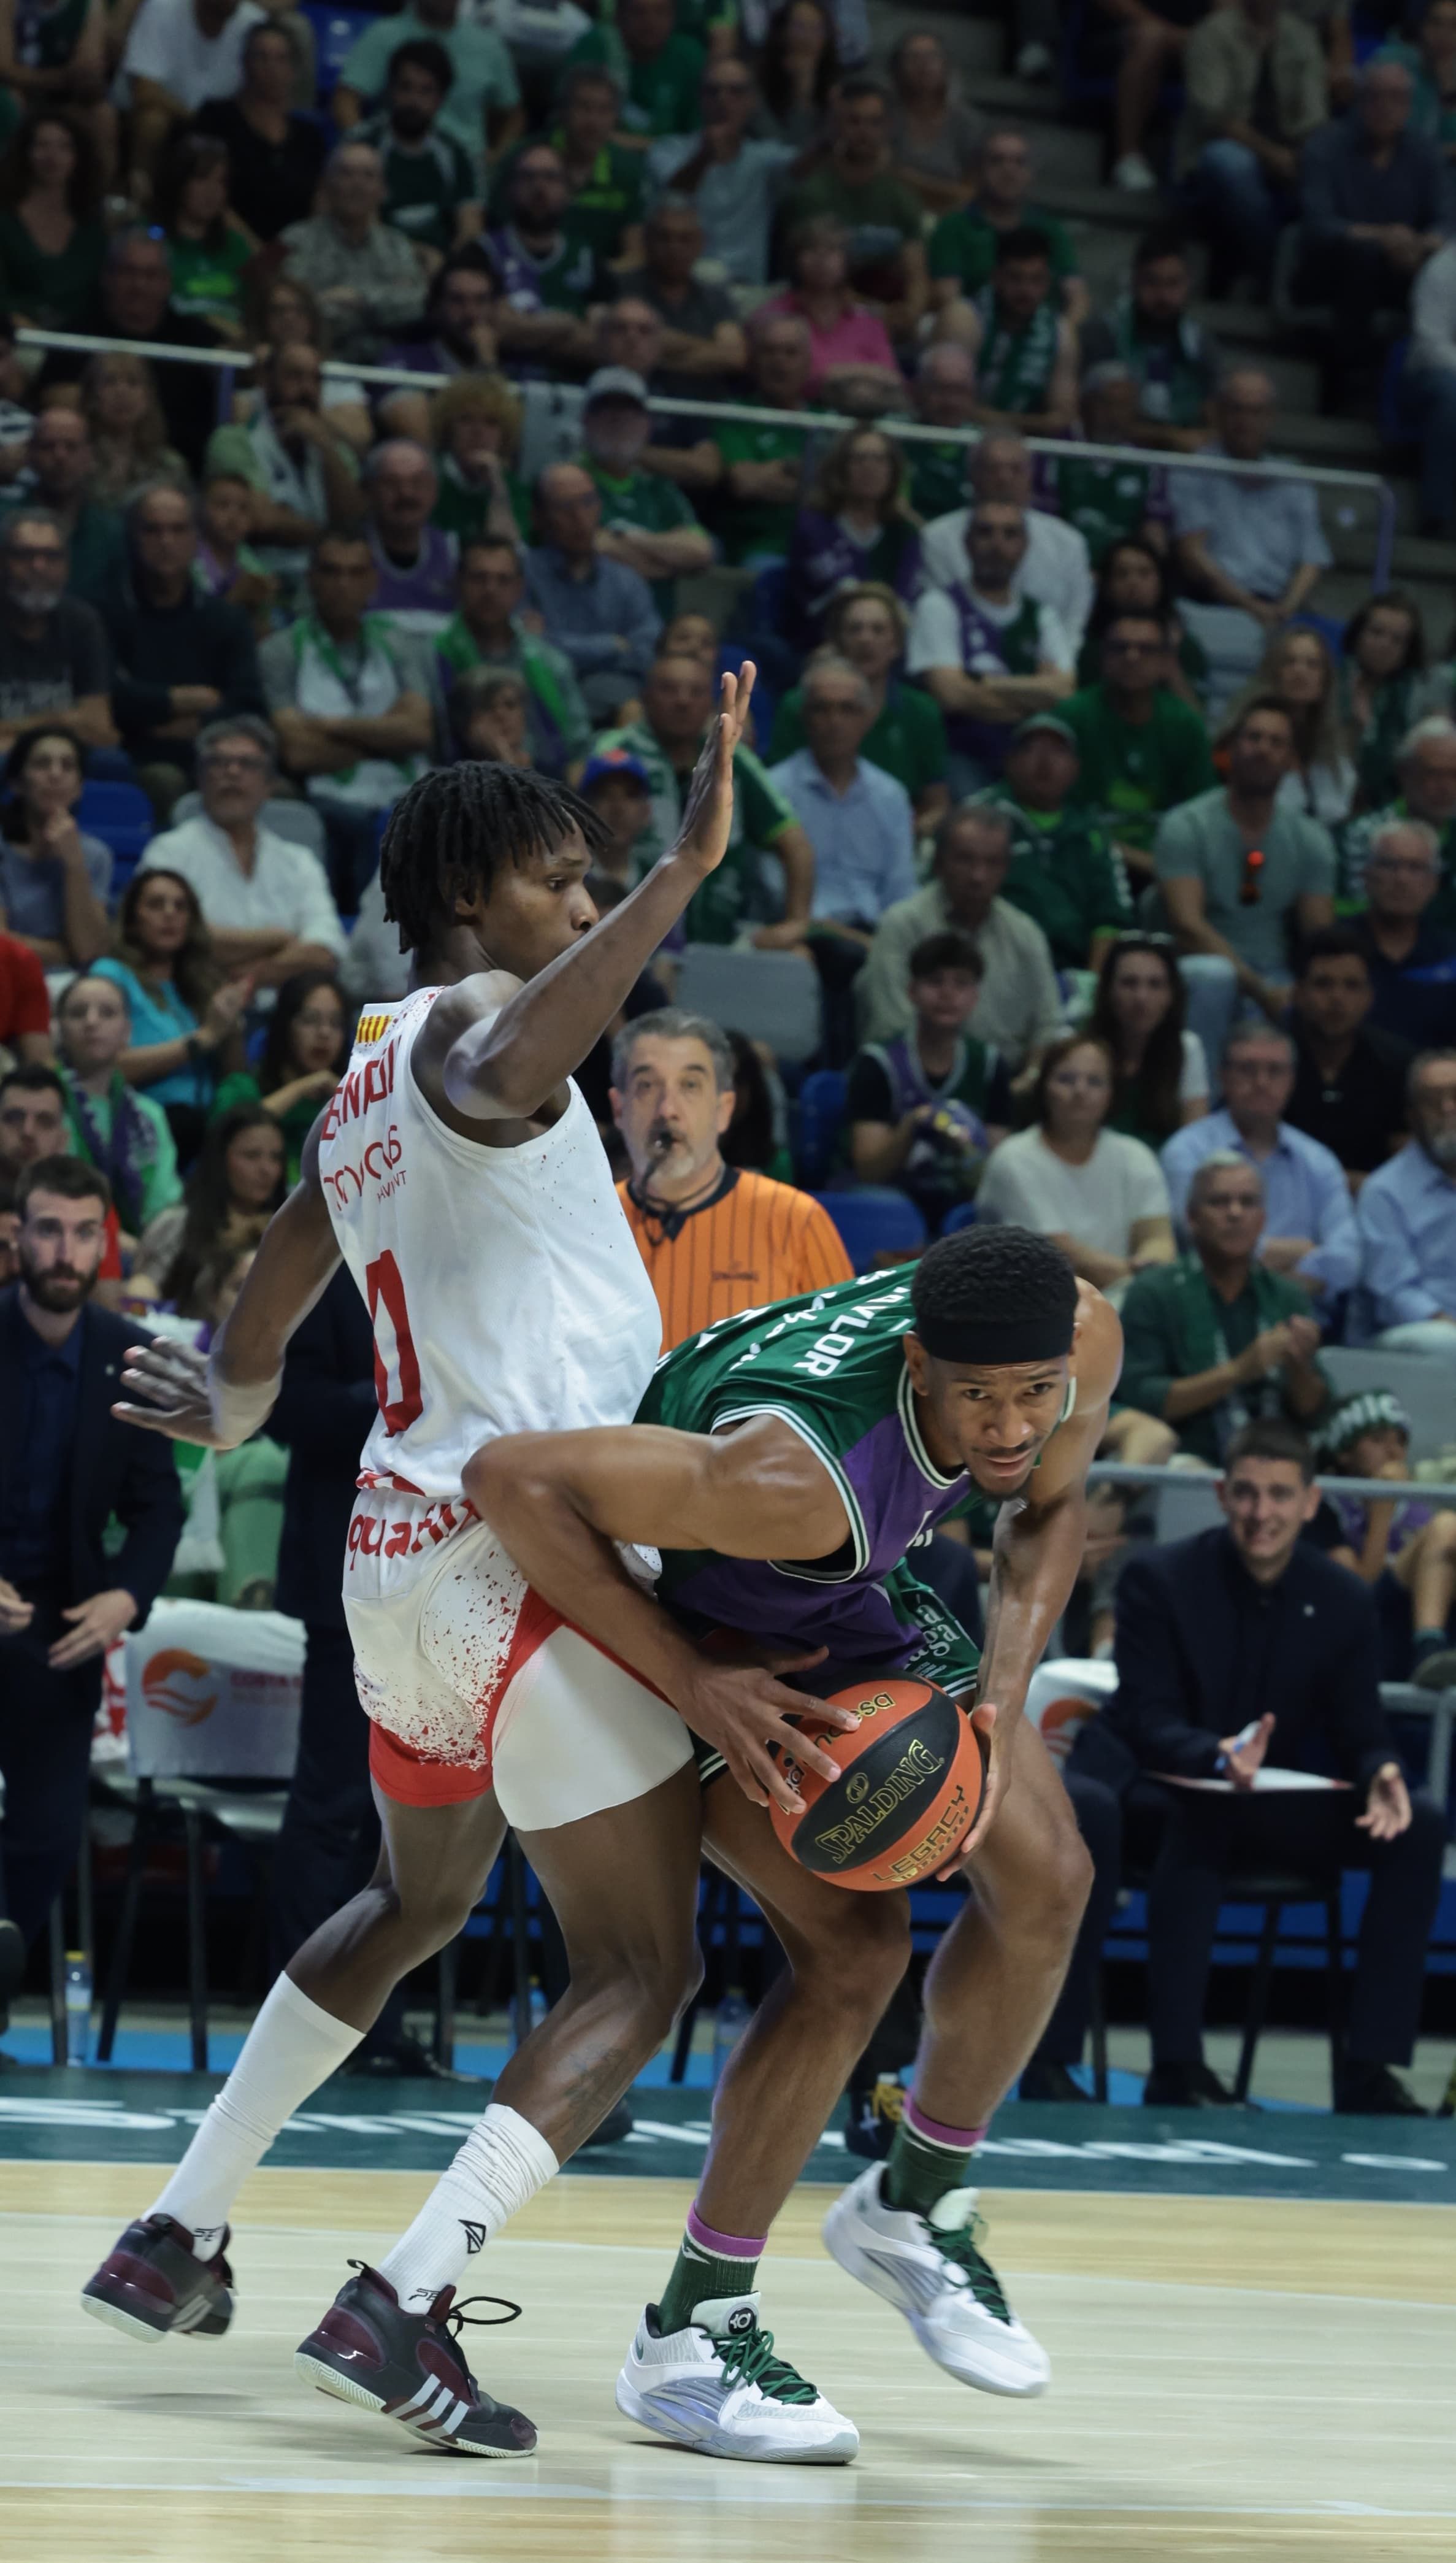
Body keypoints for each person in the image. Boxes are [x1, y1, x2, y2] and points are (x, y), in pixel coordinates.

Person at [81, 683, 839, 2459]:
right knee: (637, 1972)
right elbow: (518, 1058)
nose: (580, 913)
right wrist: (679, 870)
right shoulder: (485, 1023)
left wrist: (234, 1401)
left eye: (594, 884)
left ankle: (180, 2227)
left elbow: (268, 1296)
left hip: (392, 1564)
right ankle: (407, 2291)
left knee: (416, 1906)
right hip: (526, 1552)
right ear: (481, 888)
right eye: (561, 882)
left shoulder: (352, 1082)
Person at [466, 1226, 1123, 2450]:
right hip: (696, 1624)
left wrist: (1001, 1693)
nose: (1007, 1426)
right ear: (919, 1367)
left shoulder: (1078, 1336)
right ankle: (688, 2334)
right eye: (977, 1398)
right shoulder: (789, 1474)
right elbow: (508, 1480)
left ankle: (911, 2201)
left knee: (1049, 1877)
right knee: (856, 1950)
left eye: (1032, 1394)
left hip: (850, 1589)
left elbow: (1050, 1505)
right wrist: (694, 1683)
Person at [1073, 1416, 1443, 2113]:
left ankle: (1370, 2070)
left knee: (1417, 1822)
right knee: (1200, 1810)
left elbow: (1359, 1727)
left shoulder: (1342, 1598)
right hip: (1166, 1793)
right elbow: (1147, 1721)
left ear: (1310, 1502)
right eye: (1245, 1493)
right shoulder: (1159, 1577)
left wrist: (1383, 1769)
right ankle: (1177, 2066)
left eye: (1278, 1495)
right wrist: (1215, 1755)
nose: (1260, 1513)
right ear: (1220, 1494)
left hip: (1271, 1801)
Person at [0, 1156, 182, 1975]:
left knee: (48, 1829)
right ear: (18, 1236)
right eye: (48, 1230)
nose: (65, 1251)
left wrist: (125, 1596)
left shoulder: (131, 1356)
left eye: (83, 1233)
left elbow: (158, 1506)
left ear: (105, 1240)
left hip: (63, 1623)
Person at [611, 1005, 851, 1340]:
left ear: (724, 1110)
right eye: (647, 1085)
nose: (667, 1110)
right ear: (619, 1109)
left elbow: (840, 1369)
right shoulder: (582, 1228)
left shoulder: (798, 1222)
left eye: (690, 1085)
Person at [1117, 1151, 1330, 1466]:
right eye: (1219, 1202)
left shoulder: (1287, 1297)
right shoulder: (1153, 1293)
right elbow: (1140, 1399)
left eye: (1248, 1203)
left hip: (1276, 1464)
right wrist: (1239, 1371)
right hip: (1182, 1462)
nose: (1235, 1213)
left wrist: (1300, 1368)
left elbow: (1317, 1413)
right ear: (1191, 1218)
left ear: (1263, 1220)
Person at [594, 650, 813, 945]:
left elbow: (795, 845)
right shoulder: (615, 751)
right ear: (645, 698)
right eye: (669, 690)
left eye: (696, 692)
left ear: (710, 702)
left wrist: (796, 922)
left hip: (722, 939)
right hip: (629, 933)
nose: (683, 701)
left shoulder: (734, 758)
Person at [260, 532, 433, 903]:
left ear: (372, 582)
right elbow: (299, 753)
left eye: (356, 573)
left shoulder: (401, 644)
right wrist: (387, 738)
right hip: (326, 796)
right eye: (331, 572)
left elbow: (419, 731)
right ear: (311, 579)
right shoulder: (281, 650)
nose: (343, 584)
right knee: (355, 825)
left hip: (402, 789)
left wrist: (330, 727)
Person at [1154, 694, 1336, 1026]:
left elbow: (1319, 938)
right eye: (1253, 738)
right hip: (1199, 968)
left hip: (1278, 973)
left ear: (1292, 761)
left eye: (1276, 742)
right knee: (1214, 979)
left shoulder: (1311, 839)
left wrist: (1306, 989)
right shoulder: (1186, 825)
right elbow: (1187, 925)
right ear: (1231, 750)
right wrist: (1257, 988)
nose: (1262, 749)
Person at [1162, 1021, 1362, 1304]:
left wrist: (1272, 1289)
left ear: (1292, 1081)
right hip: (1207, 1310)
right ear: (1223, 1077)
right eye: (1247, 1069)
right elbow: (1201, 1244)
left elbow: (1347, 1259)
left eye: (1275, 1071)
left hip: (1305, 1321)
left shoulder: (1319, 1160)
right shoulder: (1187, 1151)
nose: (1262, 1082)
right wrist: (1304, 1250)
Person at [140, 713, 347, 987]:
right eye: (219, 762)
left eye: (248, 764)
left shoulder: (299, 862)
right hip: (194, 1005)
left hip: (285, 1016)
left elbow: (326, 951)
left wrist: (247, 979)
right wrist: (279, 939)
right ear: (201, 779)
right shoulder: (168, 853)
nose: (233, 772)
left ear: (270, 785)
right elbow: (172, 941)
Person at [1170, 368, 1331, 710]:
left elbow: (1312, 559)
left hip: (1282, 611)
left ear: (1271, 418)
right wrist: (1252, 607)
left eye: (1256, 411)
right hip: (1214, 606)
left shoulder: (1292, 476)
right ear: (1218, 413)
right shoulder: (1194, 468)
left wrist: (1285, 609)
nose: (1246, 420)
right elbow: (1193, 553)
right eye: (1237, 409)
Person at [859, 802, 1063, 1072]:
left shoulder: (1026, 934)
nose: (978, 876)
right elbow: (891, 1028)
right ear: (939, 862)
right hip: (914, 1085)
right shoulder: (902, 925)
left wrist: (1027, 1083)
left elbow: (1048, 1032)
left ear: (1007, 868)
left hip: (1006, 1094)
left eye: (992, 863)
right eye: (965, 860)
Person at [101, 482, 266, 812]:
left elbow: (248, 702)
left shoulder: (226, 618)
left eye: (178, 530)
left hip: (217, 757)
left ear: (196, 539)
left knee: (281, 793)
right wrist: (179, 699)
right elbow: (109, 698)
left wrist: (181, 722)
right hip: (141, 759)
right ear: (133, 537)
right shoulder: (103, 613)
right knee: (166, 782)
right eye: (153, 530)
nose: (166, 542)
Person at [1295, 56, 1455, 393]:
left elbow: (1446, 221)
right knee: (1362, 259)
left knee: (1437, 271)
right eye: (1376, 96)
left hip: (1404, 267)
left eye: (1397, 98)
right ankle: (1348, 378)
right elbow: (1318, 223)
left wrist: (1419, 245)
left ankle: (1418, 385)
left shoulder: (1424, 153)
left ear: (1410, 105)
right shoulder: (1326, 145)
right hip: (1327, 268)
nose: (1385, 106)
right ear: (1360, 99)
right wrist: (1384, 238)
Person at [977, 1032, 1174, 1297]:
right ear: (1043, 1088)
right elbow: (1065, 1257)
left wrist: (1150, 1262)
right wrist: (1143, 1281)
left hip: (1128, 1299)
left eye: (1095, 1081)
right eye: (1066, 1079)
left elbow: (1159, 1238)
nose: (1080, 1091)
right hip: (1038, 1305)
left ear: (1111, 1093)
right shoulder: (1013, 1160)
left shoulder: (1136, 1156)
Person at [906, 499, 1075, 797]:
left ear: (1024, 545)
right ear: (967, 543)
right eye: (986, 533)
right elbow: (950, 694)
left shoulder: (1041, 614)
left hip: (1027, 757)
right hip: (961, 752)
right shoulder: (939, 605)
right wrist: (1032, 695)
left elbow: (1063, 691)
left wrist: (986, 683)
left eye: (1010, 534)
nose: (997, 544)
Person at [846, 928, 1011, 1229]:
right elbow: (869, 1171)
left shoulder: (990, 1064)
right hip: (892, 1206)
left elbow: (998, 1172)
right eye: (935, 982)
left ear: (974, 997)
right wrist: (912, 1127)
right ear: (912, 992)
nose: (948, 994)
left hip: (964, 1205)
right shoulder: (878, 1063)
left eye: (961, 984)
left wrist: (967, 1149)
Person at [767, 652, 916, 966]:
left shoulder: (890, 795)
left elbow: (901, 892)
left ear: (867, 717)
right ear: (804, 716)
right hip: (799, 934)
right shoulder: (774, 790)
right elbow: (771, 889)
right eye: (822, 709)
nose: (834, 722)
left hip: (872, 937)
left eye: (848, 710)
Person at [93, 866, 248, 1157]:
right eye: (156, 904)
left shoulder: (200, 985)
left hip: (206, 1133)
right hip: (139, 1129)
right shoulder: (111, 976)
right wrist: (201, 1040)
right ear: (132, 921)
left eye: (180, 906)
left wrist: (232, 1030)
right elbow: (104, 1068)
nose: (170, 914)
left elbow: (234, 1080)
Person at [35, 228, 218, 473]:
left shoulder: (199, 341)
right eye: (128, 272)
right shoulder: (72, 337)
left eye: (151, 275)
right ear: (107, 277)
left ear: (167, 282)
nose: (139, 285)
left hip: (180, 474)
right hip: (89, 469)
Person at [1176, 0, 1328, 295]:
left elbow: (1315, 117)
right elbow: (1215, 118)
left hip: (1288, 152)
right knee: (1231, 162)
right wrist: (1272, 155)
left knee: (1332, 162)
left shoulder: (1302, 36)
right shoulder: (1212, 34)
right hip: (1217, 152)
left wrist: (1305, 153)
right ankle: (1271, 268)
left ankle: (1314, 281)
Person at [770, 583, 948, 832]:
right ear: (838, 643)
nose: (866, 639)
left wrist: (901, 835)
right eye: (855, 629)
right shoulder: (798, 704)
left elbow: (937, 805)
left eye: (878, 629)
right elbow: (774, 795)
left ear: (896, 645)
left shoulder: (921, 711)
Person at [1060, 605, 1216, 880]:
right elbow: (1058, 815)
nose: (1132, 657)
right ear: (1104, 657)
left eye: (1146, 649)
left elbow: (1203, 814)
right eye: (1121, 648)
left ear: (1167, 662)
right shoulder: (1072, 718)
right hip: (1085, 862)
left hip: (1168, 866)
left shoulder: (1185, 724)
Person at [1312, 1388, 1456, 1686]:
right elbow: (1355, 1594)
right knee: (1446, 1526)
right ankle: (1429, 1649)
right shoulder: (1323, 1507)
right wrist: (1381, 1513)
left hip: (1410, 1613)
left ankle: (1433, 1650)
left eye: (1400, 1441)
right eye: (1377, 1440)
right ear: (1344, 1452)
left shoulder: (1417, 1505)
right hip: (1367, 1627)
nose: (1394, 1452)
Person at [204, 340, 367, 593]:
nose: (307, 389)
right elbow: (261, 520)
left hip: (328, 580)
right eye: (295, 376)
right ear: (267, 382)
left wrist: (325, 447)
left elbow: (351, 524)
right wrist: (327, 538)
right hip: (260, 576)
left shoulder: (334, 450)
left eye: (315, 380)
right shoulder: (234, 440)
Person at [977, 711, 1133, 973]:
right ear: (1010, 762)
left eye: (1058, 751)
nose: (1045, 761)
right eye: (1031, 749)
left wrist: (1092, 985)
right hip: (995, 965)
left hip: (1076, 969)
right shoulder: (980, 818)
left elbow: (1110, 917)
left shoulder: (1091, 832)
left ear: (1076, 768)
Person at [776, 74, 928, 345]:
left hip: (888, 309)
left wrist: (912, 311)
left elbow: (916, 271)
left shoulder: (900, 196)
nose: (864, 131)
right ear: (836, 126)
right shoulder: (812, 194)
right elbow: (812, 276)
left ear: (888, 127)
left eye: (874, 122)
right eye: (854, 121)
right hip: (823, 308)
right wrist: (873, 312)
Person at [434, 534, 590, 778]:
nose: (490, 590)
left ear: (519, 587)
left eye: (503, 580)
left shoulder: (551, 662)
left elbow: (579, 750)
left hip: (548, 786)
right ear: (459, 582)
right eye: (479, 578)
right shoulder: (434, 656)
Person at [524, 461, 661, 721]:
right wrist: (612, 645)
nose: (580, 517)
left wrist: (558, 643)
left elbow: (645, 654)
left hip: (613, 703)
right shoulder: (520, 574)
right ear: (538, 517)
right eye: (565, 507)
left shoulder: (627, 582)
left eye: (588, 502)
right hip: (540, 703)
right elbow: (524, 648)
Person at [647, 59, 797, 290]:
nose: (723, 99)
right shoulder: (668, 149)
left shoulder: (764, 157)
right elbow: (675, 193)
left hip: (747, 291)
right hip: (685, 289)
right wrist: (705, 157)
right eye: (713, 91)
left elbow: (805, 165)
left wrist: (831, 137)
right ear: (700, 99)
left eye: (736, 91)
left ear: (752, 101)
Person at [55, 972, 182, 1240]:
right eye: (78, 1013)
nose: (92, 1022)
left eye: (107, 1013)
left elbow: (163, 1208)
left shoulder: (149, 1115)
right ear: (60, 1030)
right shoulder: (45, 1107)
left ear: (127, 1031)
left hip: (139, 1253)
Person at [578, 366, 714, 614]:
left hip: (659, 633)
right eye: (606, 408)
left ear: (646, 425)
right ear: (585, 419)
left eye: (629, 409)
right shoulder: (571, 480)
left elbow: (699, 550)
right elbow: (585, 547)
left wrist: (625, 539)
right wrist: (668, 563)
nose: (618, 419)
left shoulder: (658, 488)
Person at [280, 144, 428, 368]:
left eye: (368, 176)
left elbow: (417, 305)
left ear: (382, 190)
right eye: (346, 174)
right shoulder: (294, 240)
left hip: (388, 365)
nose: (357, 185)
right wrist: (383, 308)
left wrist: (359, 299)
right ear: (328, 185)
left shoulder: (398, 244)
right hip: (319, 363)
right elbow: (296, 314)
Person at [131, 1097, 286, 1308]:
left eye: (275, 1158)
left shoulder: (290, 1230)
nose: (267, 1169)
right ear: (220, 1160)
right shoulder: (177, 1225)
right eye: (251, 1156)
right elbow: (141, 1300)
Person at [1287, 925, 1411, 1186]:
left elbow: (1409, 1168)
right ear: (1298, 994)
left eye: (1352, 986)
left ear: (1369, 998)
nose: (1337, 998)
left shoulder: (1397, 1063)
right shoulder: (1269, 1062)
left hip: (1375, 1204)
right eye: (1323, 984)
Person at [1078, 225, 1221, 453]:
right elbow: (1098, 419)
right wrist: (1169, 437)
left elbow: (1215, 425)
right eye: (1152, 283)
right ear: (1134, 282)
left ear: (1188, 285)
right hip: (1113, 452)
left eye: (1173, 283)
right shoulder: (1104, 333)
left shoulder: (1201, 343)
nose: (1163, 296)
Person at [927, 125, 1084, 325]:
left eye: (1019, 162)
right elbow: (948, 300)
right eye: (997, 161)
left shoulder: (1050, 229)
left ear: (1030, 174)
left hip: (1039, 334)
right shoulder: (953, 227)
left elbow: (1078, 299)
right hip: (973, 333)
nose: (1009, 170)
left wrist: (1059, 335)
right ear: (978, 171)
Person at [334, 0, 521, 164]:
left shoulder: (490, 47)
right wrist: (365, 152)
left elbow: (513, 116)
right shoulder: (383, 34)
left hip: (467, 165)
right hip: (393, 161)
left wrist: (497, 159)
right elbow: (345, 100)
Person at [782, 426, 918, 651]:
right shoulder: (813, 524)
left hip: (887, 648)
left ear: (893, 471)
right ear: (840, 468)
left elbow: (902, 604)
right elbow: (842, 593)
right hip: (817, 643)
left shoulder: (904, 533)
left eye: (880, 459)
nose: (869, 467)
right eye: (859, 458)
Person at [193, 15, 327, 242]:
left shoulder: (310, 137)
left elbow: (320, 205)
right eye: (261, 57)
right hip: (226, 243)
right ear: (245, 63)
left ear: (294, 70)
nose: (271, 67)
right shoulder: (215, 119)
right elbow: (202, 192)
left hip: (296, 253)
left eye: (281, 59)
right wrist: (255, 251)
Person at [1356, 1047, 1456, 1348]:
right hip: (1422, 1340)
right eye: (1433, 1100)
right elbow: (1395, 1294)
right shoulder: (1384, 1191)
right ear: (1411, 1117)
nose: (1449, 1108)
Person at [938, 226, 1079, 437]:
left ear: (1048, 282)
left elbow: (1060, 419)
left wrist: (994, 422)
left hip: (1025, 448)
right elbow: (946, 406)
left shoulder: (1061, 333)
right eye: (1016, 278)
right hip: (958, 437)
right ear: (996, 277)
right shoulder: (963, 318)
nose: (1026, 290)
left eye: (1036, 280)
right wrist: (1027, 423)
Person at [211, 967, 350, 1182]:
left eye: (336, 1024)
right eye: (310, 1020)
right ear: (285, 1026)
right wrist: (301, 1088)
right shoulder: (241, 1089)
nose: (324, 1033)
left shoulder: (348, 1103)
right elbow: (224, 1142)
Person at [121, 0, 274, 195]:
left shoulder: (254, 22)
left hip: (226, 126)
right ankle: (140, 199)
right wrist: (199, 119)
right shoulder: (163, 8)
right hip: (174, 118)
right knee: (152, 121)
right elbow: (145, 90)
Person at [0, 507, 115, 752]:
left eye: (52, 556)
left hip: (65, 758)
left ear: (67, 566)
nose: (39, 567)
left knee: (114, 765)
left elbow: (99, 726)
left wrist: (16, 729)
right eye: (24, 555)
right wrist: (60, 720)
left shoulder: (82, 621)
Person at [355, 38, 481, 259]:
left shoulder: (456, 155)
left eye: (426, 91)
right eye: (406, 87)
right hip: (371, 263)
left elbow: (470, 232)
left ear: (440, 99)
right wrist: (414, 255)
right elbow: (352, 224)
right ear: (391, 90)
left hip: (438, 273)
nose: (414, 100)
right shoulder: (364, 145)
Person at [1220, 624, 1355, 827]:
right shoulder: (1241, 739)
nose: (1300, 672)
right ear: (1273, 672)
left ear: (1324, 680)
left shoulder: (1335, 755)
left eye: (1313, 664)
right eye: (1290, 662)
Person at [0, 721, 110, 966]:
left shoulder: (95, 855)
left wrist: (74, 864)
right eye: (42, 764)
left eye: (68, 766)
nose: (56, 774)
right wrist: (65, 953)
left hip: (73, 990)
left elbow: (89, 952)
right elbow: (1, 947)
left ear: (79, 788)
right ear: (17, 783)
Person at [1087, 930, 1210, 1145]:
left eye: (1155, 985)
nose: (1141, 997)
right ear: (1108, 991)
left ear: (1172, 995)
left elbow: (1194, 1143)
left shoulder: (1187, 1048)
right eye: (1129, 983)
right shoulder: (1081, 1047)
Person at [760, 215, 899, 403]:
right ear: (796, 258)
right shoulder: (773, 316)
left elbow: (892, 378)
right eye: (811, 249)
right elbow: (786, 377)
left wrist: (832, 374)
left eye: (832, 250)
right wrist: (863, 372)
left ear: (847, 260)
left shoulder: (868, 321)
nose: (821, 258)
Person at [613, 196, 745, 394]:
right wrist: (707, 347)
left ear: (700, 244)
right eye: (664, 237)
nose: (674, 248)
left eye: (685, 239)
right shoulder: (619, 287)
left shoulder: (715, 297)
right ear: (647, 240)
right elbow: (610, 350)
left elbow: (733, 357)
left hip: (701, 412)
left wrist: (650, 355)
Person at [487, 144, 599, 371]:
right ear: (511, 188)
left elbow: (600, 342)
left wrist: (525, 332)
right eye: (529, 177)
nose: (539, 187)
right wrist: (568, 324)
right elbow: (488, 327)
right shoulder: (483, 253)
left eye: (551, 177)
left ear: (567, 190)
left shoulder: (586, 258)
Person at [1347, 817, 1456, 1050]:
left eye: (1416, 868)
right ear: (1366, 876)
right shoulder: (1336, 947)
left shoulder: (1451, 955)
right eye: (1388, 865)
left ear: (1434, 883)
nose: (1401, 879)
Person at [0, 402, 123, 607]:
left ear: (89, 456)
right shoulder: (3, 521)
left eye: (71, 447)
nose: (60, 456)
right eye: (48, 446)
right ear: (29, 455)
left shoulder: (111, 532)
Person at [1340, 712, 1456, 920]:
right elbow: (1358, 917)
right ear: (1405, 774)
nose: (1446, 787)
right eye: (1433, 774)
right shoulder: (1367, 832)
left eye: (1453, 775)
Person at [0, 105, 105, 329]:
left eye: (64, 147)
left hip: (83, 342)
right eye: (42, 145)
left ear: (78, 157)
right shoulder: (5, 221)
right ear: (25, 152)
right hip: (17, 337)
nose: (52, 157)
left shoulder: (95, 225)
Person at [1091, 0, 1210, 196]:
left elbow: (1227, 11)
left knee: (1227, 43)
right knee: (1150, 37)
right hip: (1122, 34)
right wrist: (1168, 33)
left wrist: (1209, 36)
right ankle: (1128, 157)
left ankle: (1203, 167)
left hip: (1189, 40)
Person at [0, 0, 115, 190]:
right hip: (21, 93)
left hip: (66, 97)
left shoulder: (90, 5)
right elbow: (4, 68)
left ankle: (99, 197)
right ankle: (12, 191)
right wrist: (60, 78)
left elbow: (88, 69)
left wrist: (77, 79)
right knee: (11, 101)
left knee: (104, 115)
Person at [1338, 591, 1433, 811]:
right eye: (1376, 633)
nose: (1385, 644)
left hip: (1391, 807)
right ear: (1358, 634)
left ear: (1408, 650)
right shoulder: (1329, 681)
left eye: (1397, 640)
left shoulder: (1417, 698)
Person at [152, 130, 251, 339]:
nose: (212, 191)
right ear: (179, 182)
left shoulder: (236, 245)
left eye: (221, 182)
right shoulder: (150, 241)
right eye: (202, 179)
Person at [566, 0, 707, 145]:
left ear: (674, 17)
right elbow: (570, 123)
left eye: (660, 12)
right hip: (600, 154)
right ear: (619, 16)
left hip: (671, 161)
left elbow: (695, 138)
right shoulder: (597, 46)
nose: (650, 22)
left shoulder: (690, 56)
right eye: (639, 12)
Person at [359, 439, 458, 632]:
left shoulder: (455, 551)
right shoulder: (348, 554)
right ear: (370, 491)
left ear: (435, 490)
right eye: (391, 483)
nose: (406, 493)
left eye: (418, 482)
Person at [884, 29, 981, 215]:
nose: (924, 65)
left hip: (950, 219)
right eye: (913, 57)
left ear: (946, 66)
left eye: (932, 56)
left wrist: (907, 178)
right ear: (897, 68)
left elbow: (973, 193)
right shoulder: (884, 116)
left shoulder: (967, 123)